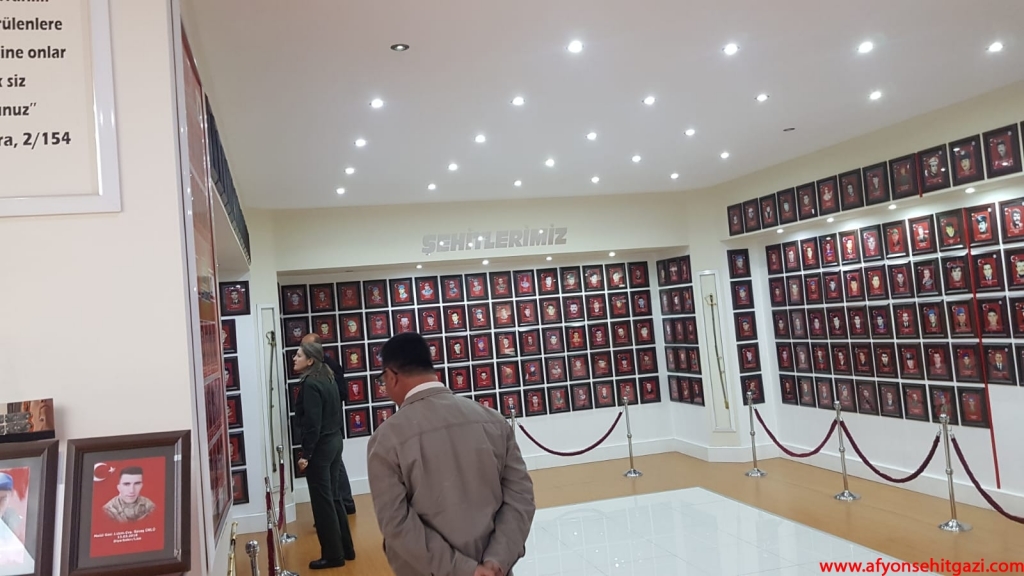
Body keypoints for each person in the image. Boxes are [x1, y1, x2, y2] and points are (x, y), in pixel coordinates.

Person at [367, 333, 535, 576]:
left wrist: (466, 570)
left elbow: (397, 524)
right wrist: (496, 561)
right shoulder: (493, 420)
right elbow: (521, 497)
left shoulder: (386, 440)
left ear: (392, 376)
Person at [294, 340, 355, 569]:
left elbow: (312, 424)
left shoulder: (311, 383)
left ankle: (333, 555)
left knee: (322, 503)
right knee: (335, 497)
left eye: (299, 355)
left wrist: (306, 454)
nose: (294, 359)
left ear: (310, 360)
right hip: (335, 441)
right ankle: (346, 549)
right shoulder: (327, 377)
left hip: (321, 447)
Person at [300, 333, 356, 515]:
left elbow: (342, 394)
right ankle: (343, 505)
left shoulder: (328, 368)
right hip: (329, 428)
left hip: (329, 427)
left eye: (306, 347)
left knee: (333, 470)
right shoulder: (317, 372)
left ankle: (342, 505)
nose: (302, 350)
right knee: (335, 466)